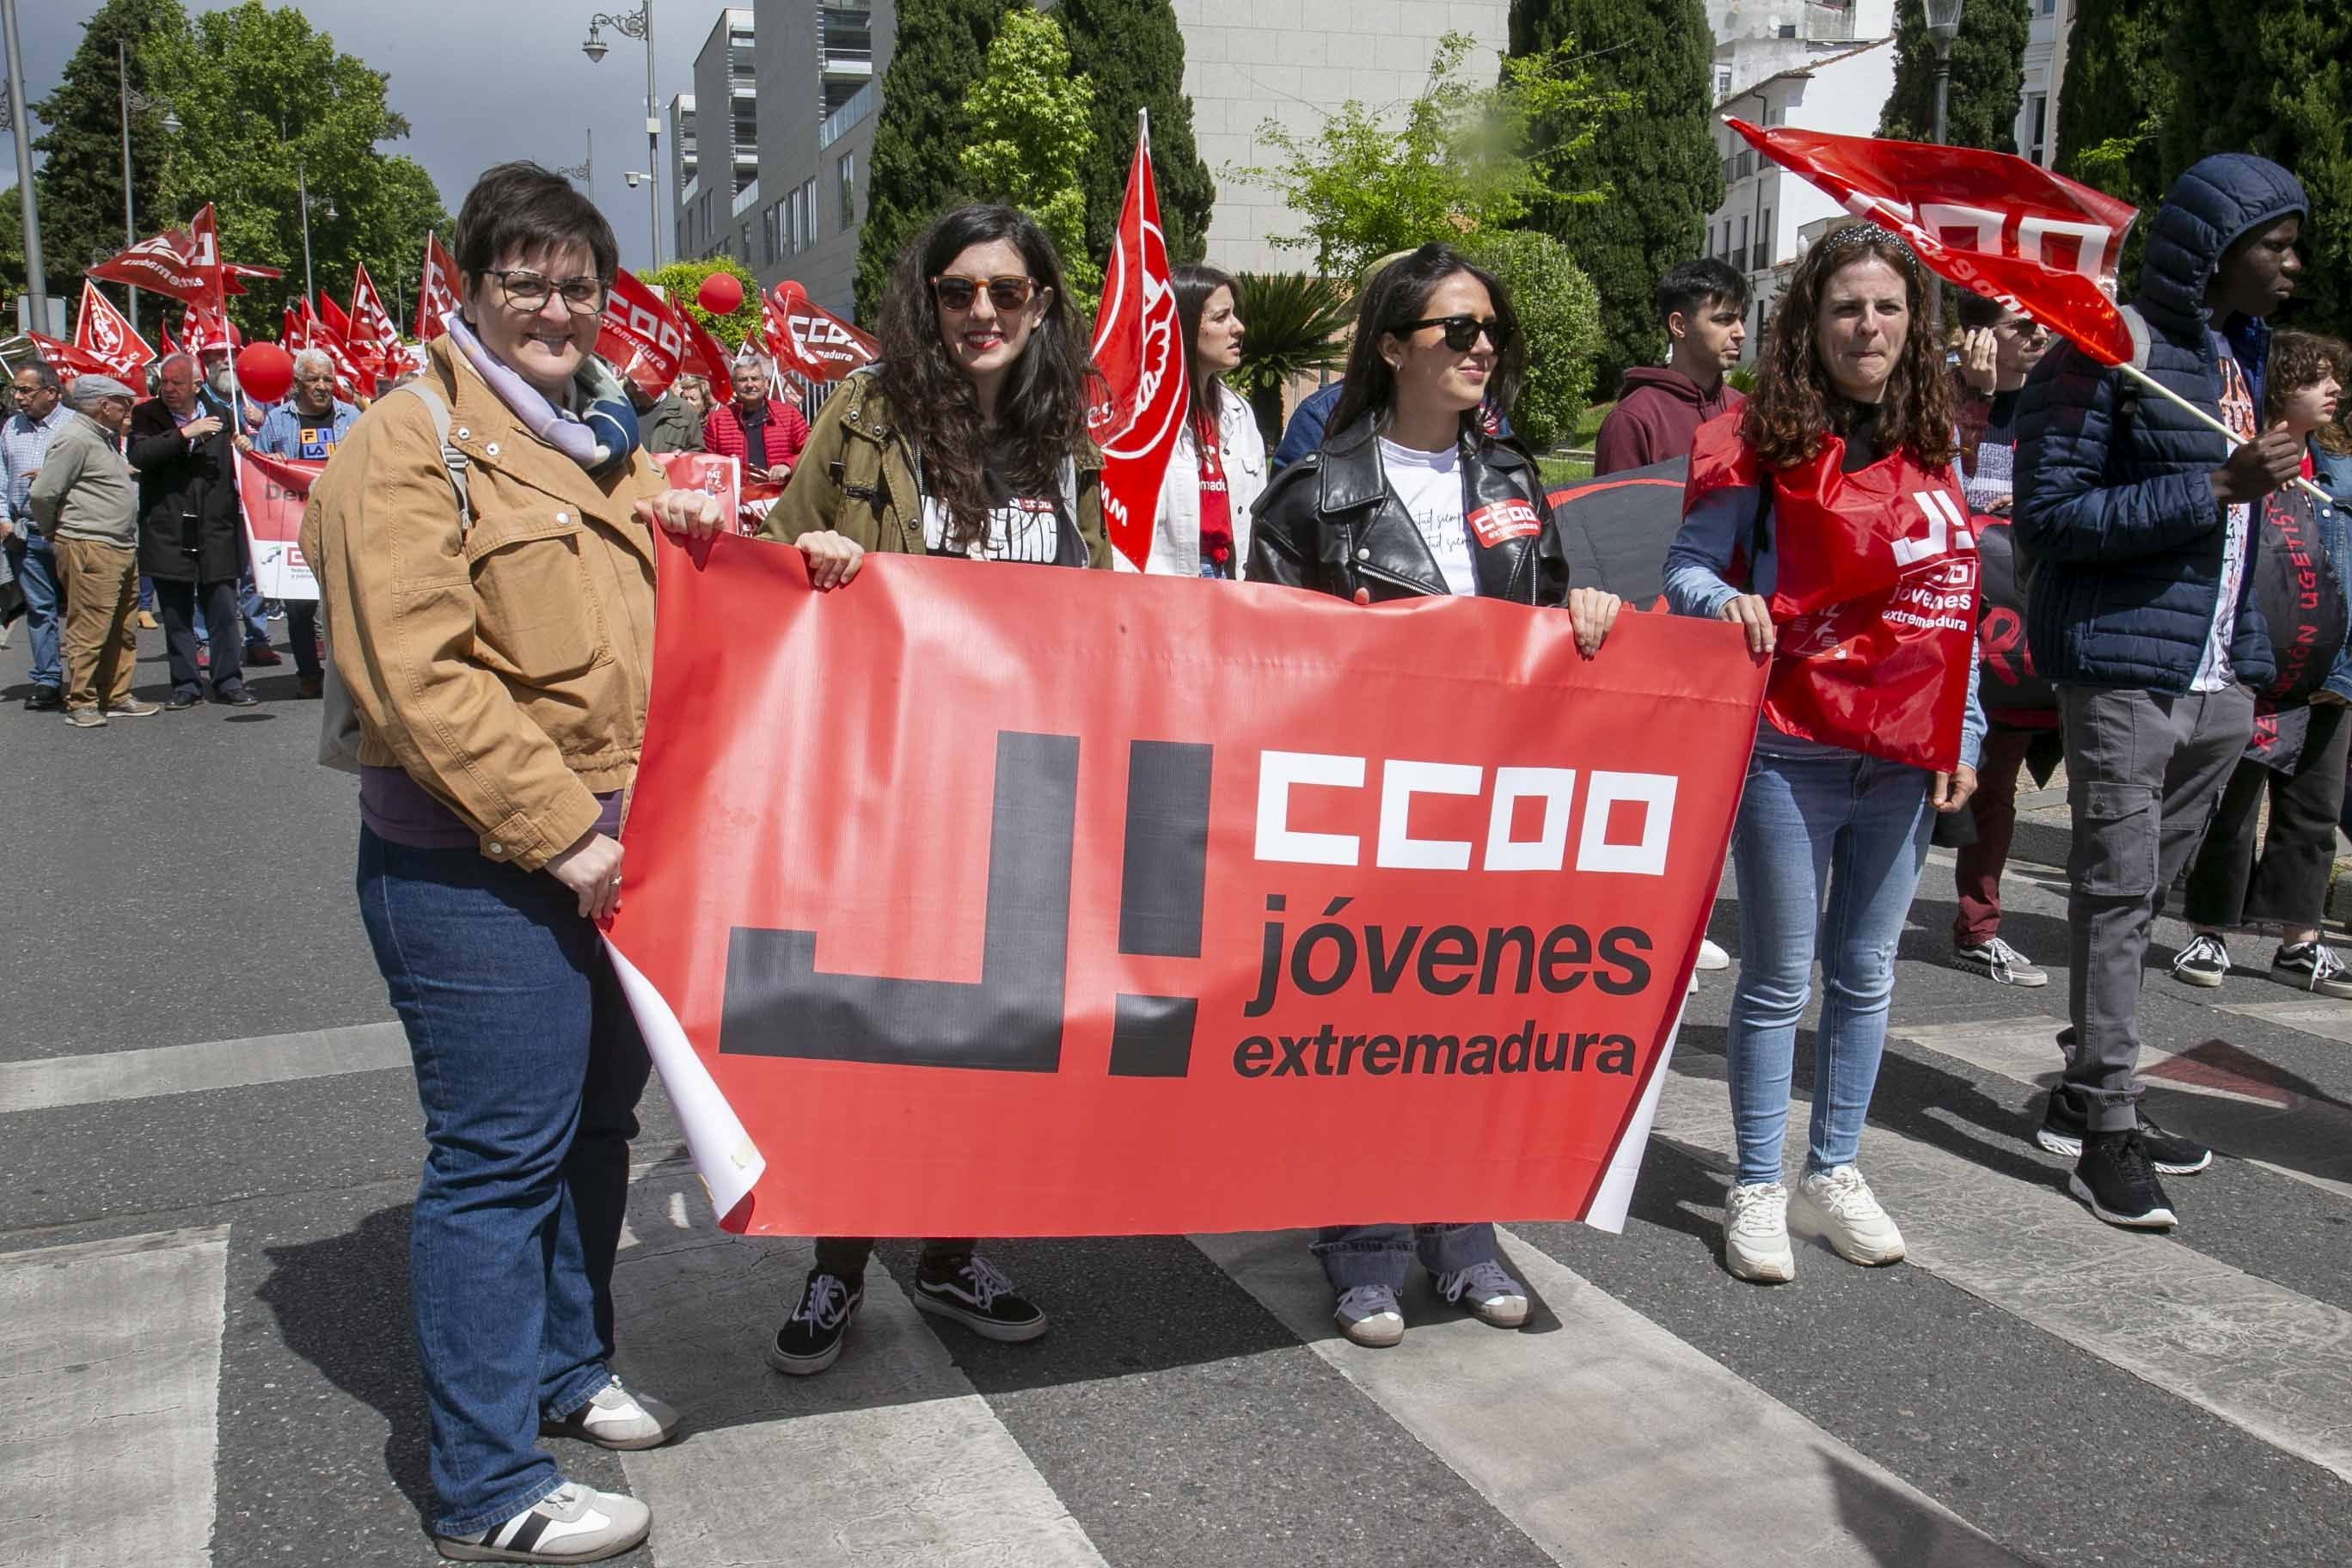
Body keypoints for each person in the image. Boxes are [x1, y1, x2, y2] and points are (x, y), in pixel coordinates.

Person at [301, 160, 745, 1565]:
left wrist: (799, 556)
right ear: (470, 289)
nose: (557, 306)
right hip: (482, 872)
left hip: (614, 861)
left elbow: (698, 565)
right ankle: (490, 1483)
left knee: (593, 1131)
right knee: (496, 1164)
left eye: (577, 285)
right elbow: (418, 678)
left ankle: (571, 1364)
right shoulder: (404, 439)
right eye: (526, 281)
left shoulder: (594, 440)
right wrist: (564, 836)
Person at [1249, 242, 1623, 1344]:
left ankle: (1463, 1239)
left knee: (1471, 1031)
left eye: (1489, 329)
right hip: (1363, 811)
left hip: (1492, 811)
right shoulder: (1315, 497)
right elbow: (1264, 666)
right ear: (1391, 345)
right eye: (1457, 329)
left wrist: (1584, 612)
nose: (1481, 346)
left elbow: (1548, 619)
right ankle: (1362, 1247)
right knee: (1364, 1033)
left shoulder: (1511, 480)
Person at [759, 202, 1107, 1377]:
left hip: (1018, 790)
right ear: (931, 299)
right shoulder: (869, 413)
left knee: (980, 1041)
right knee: (867, 1038)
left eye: (1006, 292)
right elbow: (775, 555)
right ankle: (838, 1264)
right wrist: (824, 566)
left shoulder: (1073, 436)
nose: (982, 313)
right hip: (886, 778)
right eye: (959, 290)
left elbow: (1103, 606)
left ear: (1042, 304)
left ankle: (952, 1253)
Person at [1664, 223, 1986, 1284]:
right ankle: (1759, 1181)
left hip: (1900, 754)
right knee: (1776, 981)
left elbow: (1953, 602)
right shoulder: (1755, 439)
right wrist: (1730, 603)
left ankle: (1832, 1169)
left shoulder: (1934, 442)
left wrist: (1966, 728)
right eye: (1849, 305)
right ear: (1812, 320)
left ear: (1913, 323)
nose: (1870, 325)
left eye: (1889, 307)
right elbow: (1687, 569)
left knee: (1866, 973)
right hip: (1788, 747)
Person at [2012, 153, 2310, 1230]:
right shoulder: (2103, 354)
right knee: (2115, 890)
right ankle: (2105, 1127)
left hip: (2215, 682)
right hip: (2124, 673)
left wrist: (2253, 662)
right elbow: (2049, 520)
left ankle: (2086, 1090)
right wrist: (2213, 485)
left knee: (2142, 897)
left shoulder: (2237, 356)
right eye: (2273, 244)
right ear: (2213, 249)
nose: (2292, 264)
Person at [2174, 334, 2352, 996]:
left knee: (2312, 807)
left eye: (2337, 378)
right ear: (2280, 386)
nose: (2333, 390)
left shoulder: (2338, 471)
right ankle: (2209, 929)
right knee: (2233, 805)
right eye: (2319, 378)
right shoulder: (2238, 455)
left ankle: (2298, 941)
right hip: (2251, 664)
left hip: (2328, 671)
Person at [1947, 291, 2059, 989]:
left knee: (1997, 789)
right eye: (2023, 325)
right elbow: (1934, 495)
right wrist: (1974, 401)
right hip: (1952, 634)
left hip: (2021, 643)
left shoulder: (2058, 408)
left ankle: (1978, 926)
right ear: (1980, 337)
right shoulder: (1947, 402)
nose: (2040, 333)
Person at [29, 375, 156, 726]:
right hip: (90, 543)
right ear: (104, 405)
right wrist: (52, 529)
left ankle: (116, 695)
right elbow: (43, 493)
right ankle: (81, 700)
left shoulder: (101, 438)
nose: (128, 410)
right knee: (90, 626)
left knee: (122, 627)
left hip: (118, 544)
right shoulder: (75, 438)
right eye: (124, 403)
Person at [132, 354, 256, 707]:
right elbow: (140, 454)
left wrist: (245, 447)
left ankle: (229, 680)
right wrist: (185, 433)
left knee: (222, 610)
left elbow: (240, 462)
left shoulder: (222, 414)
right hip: (169, 527)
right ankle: (185, 683)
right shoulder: (147, 415)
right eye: (164, 382)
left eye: (177, 383)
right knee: (176, 613)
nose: (168, 390)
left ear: (196, 386)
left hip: (215, 528)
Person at [1127, 264, 1265, 578]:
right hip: (1168, 587)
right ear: (1183, 327)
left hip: (1231, 577)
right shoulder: (1144, 419)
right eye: (1221, 317)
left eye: (1234, 314)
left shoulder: (1239, 413)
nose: (1239, 327)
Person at [253, 349, 359, 699]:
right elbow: (258, 467)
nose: (322, 386)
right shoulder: (276, 421)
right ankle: (308, 674)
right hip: (295, 524)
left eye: (328, 379)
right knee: (299, 605)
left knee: (347, 602)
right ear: (298, 384)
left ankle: (349, 675)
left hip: (345, 520)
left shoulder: (353, 417)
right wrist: (271, 461)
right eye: (314, 379)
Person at [1593, 258, 1750, 475]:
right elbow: (1613, 507)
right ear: (1678, 326)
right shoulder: (1632, 421)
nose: (1740, 333)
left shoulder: (1747, 411)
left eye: (1742, 320)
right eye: (1724, 320)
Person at [3, 361, 72, 711]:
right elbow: (0, 477)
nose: (18, 397)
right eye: (15, 390)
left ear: (51, 393)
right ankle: (47, 679)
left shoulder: (75, 427)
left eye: (25, 390)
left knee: (81, 608)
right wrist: (2, 519)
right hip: (25, 533)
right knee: (39, 609)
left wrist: (51, 476)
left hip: (68, 530)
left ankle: (90, 680)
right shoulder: (10, 428)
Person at [703, 358, 807, 485]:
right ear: (733, 385)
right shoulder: (717, 420)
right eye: (742, 380)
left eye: (755, 378)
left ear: (766, 382)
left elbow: (810, 450)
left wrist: (788, 465)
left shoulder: (790, 415)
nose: (750, 384)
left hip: (781, 496)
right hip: (737, 498)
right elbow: (707, 462)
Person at [633, 375, 703, 454]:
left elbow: (696, 451)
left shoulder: (685, 410)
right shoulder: (623, 407)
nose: (637, 389)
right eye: (633, 382)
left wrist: (684, 457)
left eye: (642, 383)